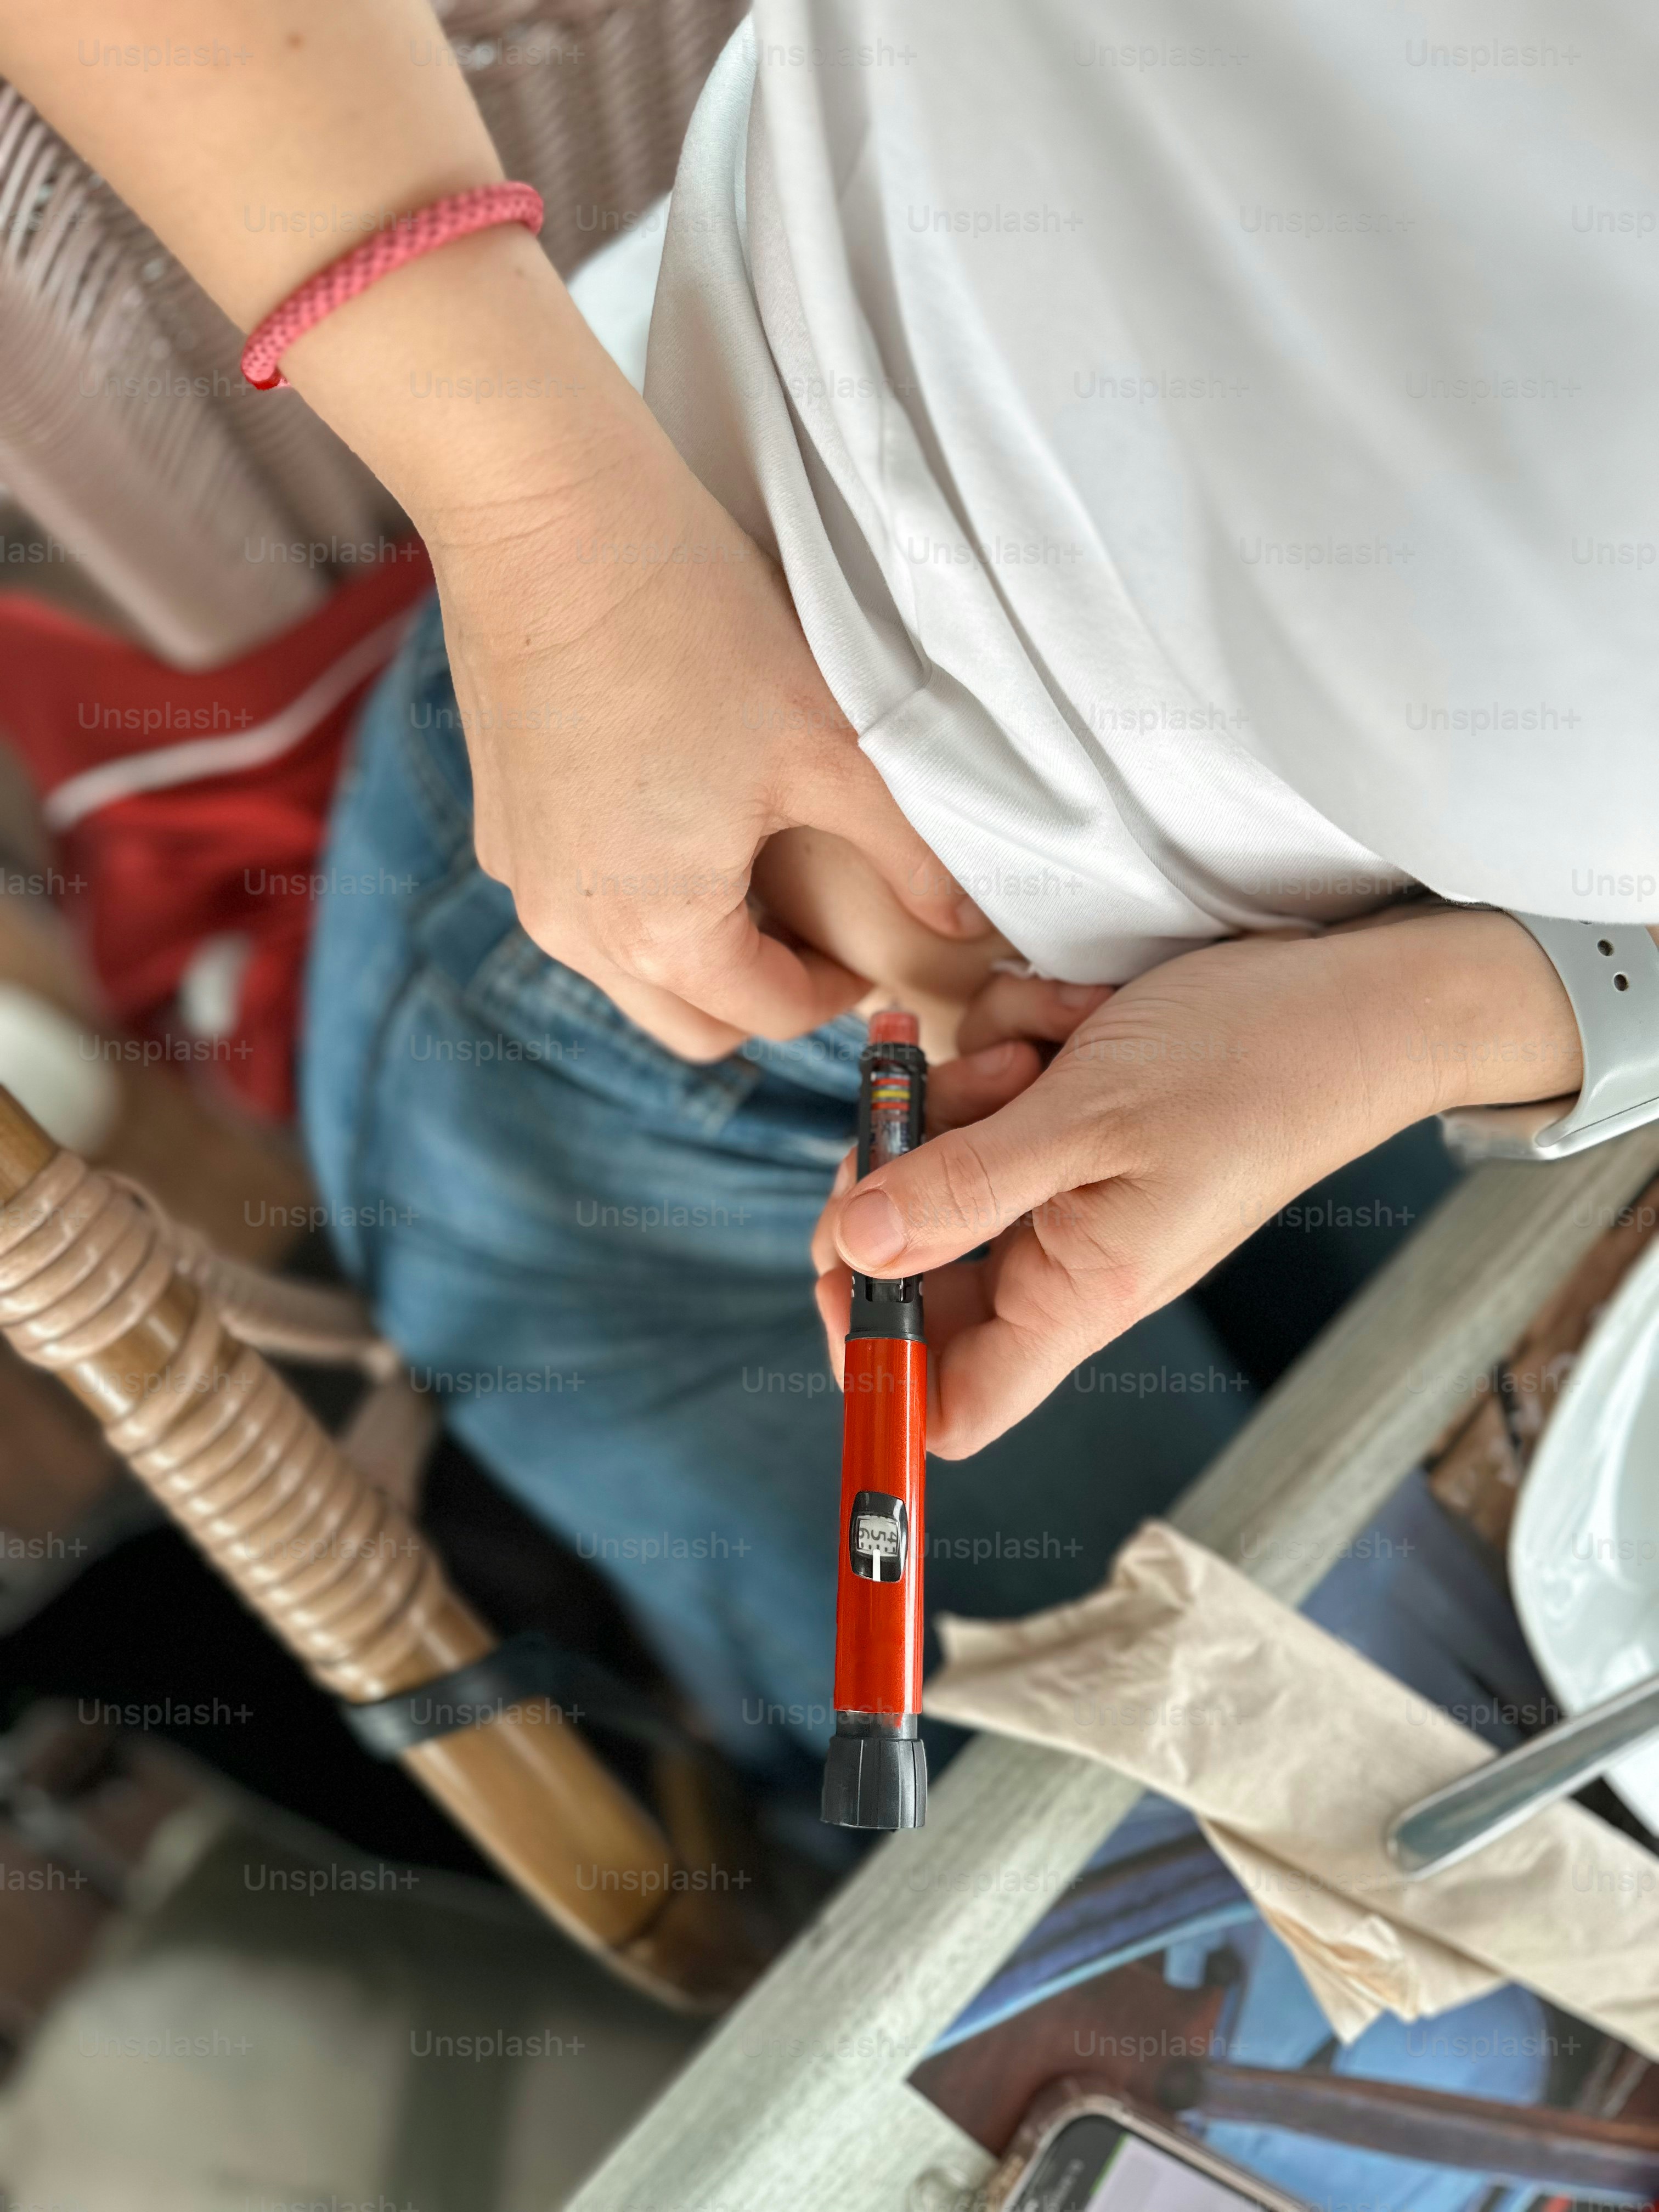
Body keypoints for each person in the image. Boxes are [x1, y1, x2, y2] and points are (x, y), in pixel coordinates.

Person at [4, 0, 1647, 1787]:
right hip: (699, 968)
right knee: (1181, 1851)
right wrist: (550, 541)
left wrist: (1467, 1012)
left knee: (1446, 1724)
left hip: (1408, 993)